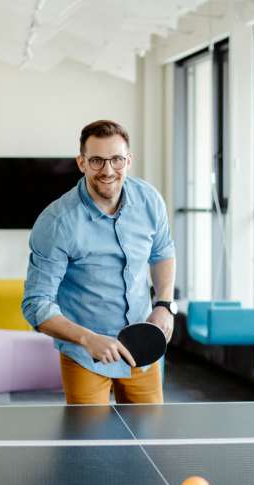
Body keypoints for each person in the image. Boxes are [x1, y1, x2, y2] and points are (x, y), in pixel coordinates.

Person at [22, 119, 176, 405]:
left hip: (143, 351)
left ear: (129, 160)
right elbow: (36, 304)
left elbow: (162, 251)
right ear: (81, 163)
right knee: (89, 447)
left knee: (149, 441)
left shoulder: (150, 201)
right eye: (96, 160)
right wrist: (86, 339)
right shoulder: (56, 223)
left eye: (116, 159)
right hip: (86, 358)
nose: (107, 170)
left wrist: (164, 305)